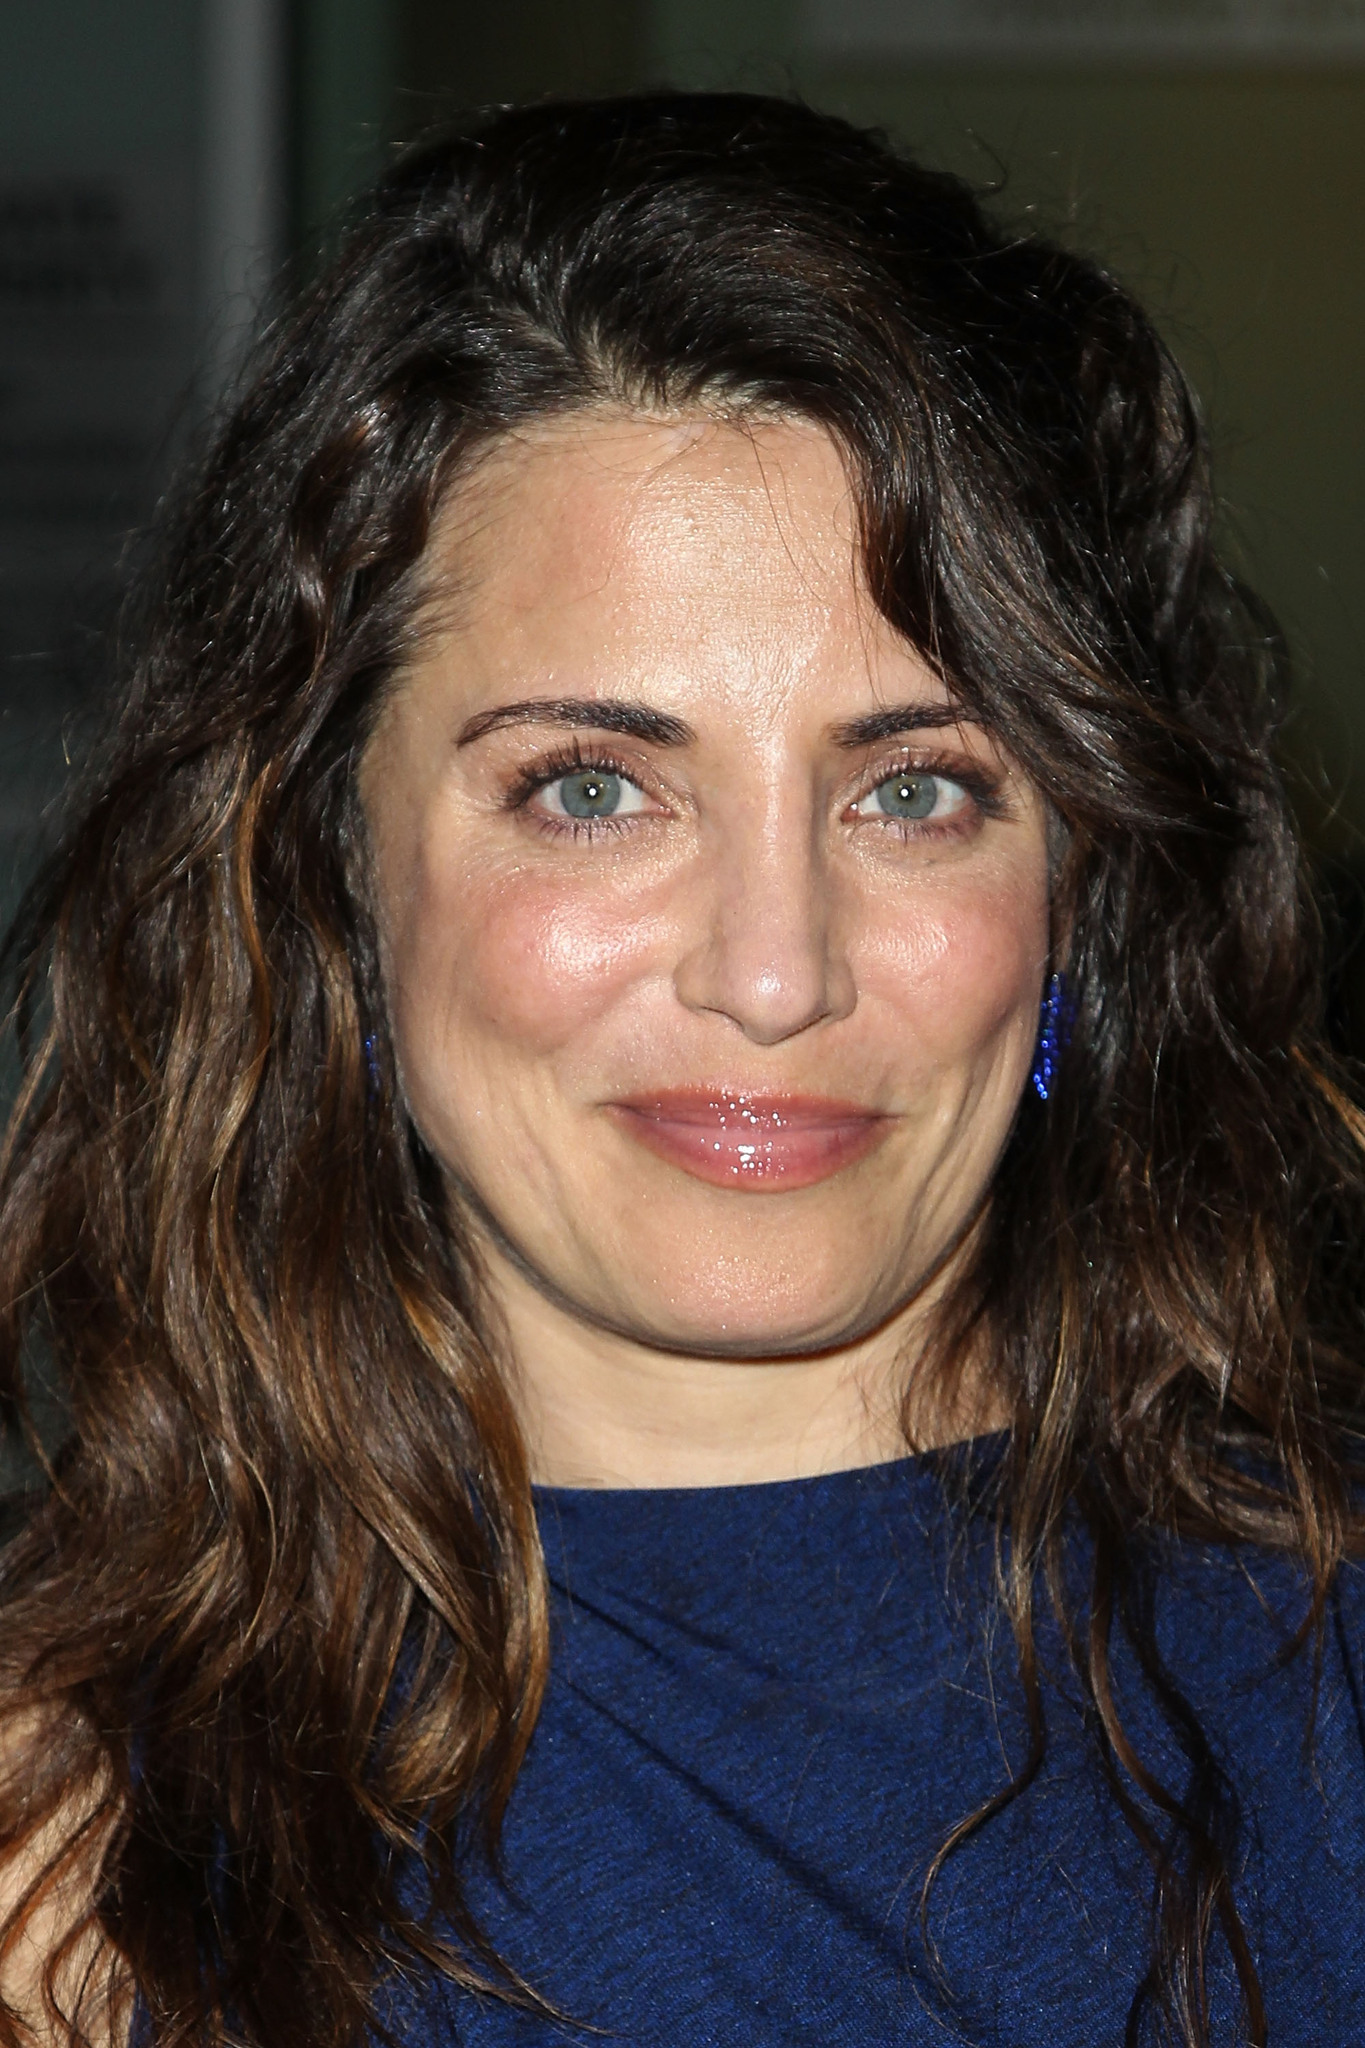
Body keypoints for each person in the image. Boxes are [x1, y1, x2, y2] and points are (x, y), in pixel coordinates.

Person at [0, 89, 1360, 2048]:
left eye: (915, 789)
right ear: (326, 875)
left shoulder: (1326, 1666)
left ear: (1078, 888)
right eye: (590, 789)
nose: (773, 972)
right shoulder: (80, 1877)